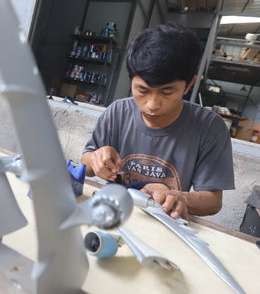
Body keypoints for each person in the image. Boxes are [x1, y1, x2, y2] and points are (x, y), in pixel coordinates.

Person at [80, 23, 235, 220]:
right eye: (142, 90)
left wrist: (178, 197)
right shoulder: (117, 112)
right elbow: (85, 163)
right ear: (131, 80)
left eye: (167, 92)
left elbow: (213, 201)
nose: (152, 105)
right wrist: (96, 159)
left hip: (166, 221)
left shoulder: (210, 128)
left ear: (188, 85)